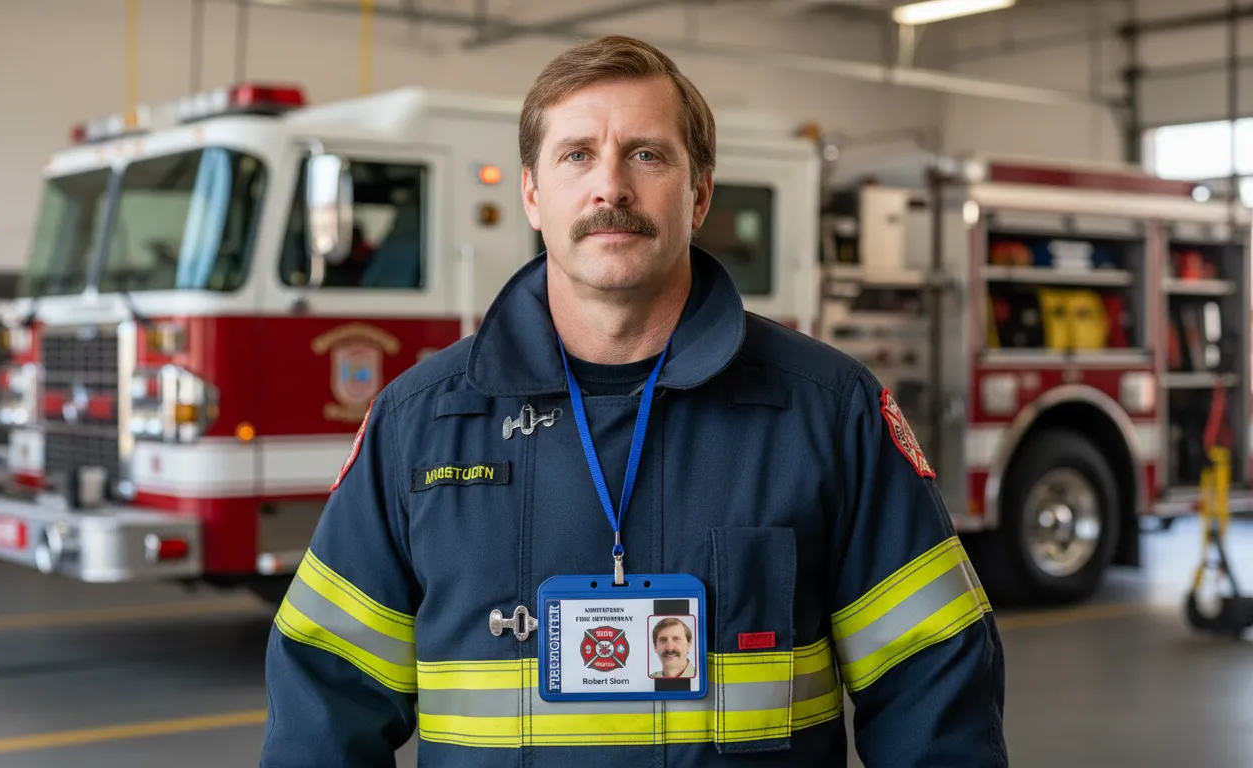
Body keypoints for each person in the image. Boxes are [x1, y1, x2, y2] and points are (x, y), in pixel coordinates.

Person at [260, 34, 1008, 767]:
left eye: (646, 155)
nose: (610, 186)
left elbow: (932, 693)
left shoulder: (828, 411)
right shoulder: (417, 426)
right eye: (577, 154)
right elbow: (326, 705)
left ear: (701, 193)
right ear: (531, 192)